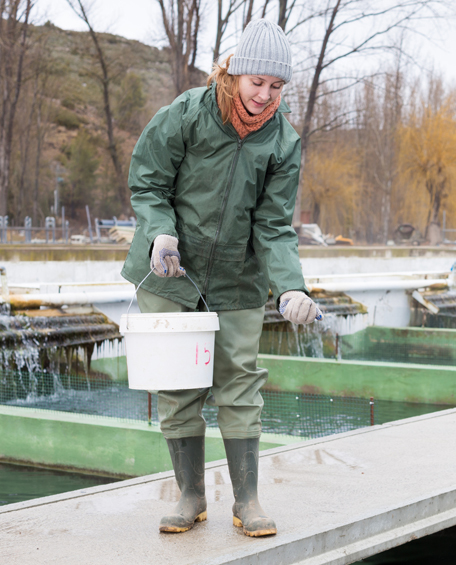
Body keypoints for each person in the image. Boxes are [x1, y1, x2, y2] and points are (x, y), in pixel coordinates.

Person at [121, 19, 321, 537]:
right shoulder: (187, 113)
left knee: (239, 386)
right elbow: (147, 182)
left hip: (237, 280)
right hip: (170, 273)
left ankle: (247, 500)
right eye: (258, 82)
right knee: (178, 387)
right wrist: (160, 233)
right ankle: (189, 495)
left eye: (277, 87)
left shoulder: (283, 141)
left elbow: (274, 224)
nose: (265, 95)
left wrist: (292, 286)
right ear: (232, 71)